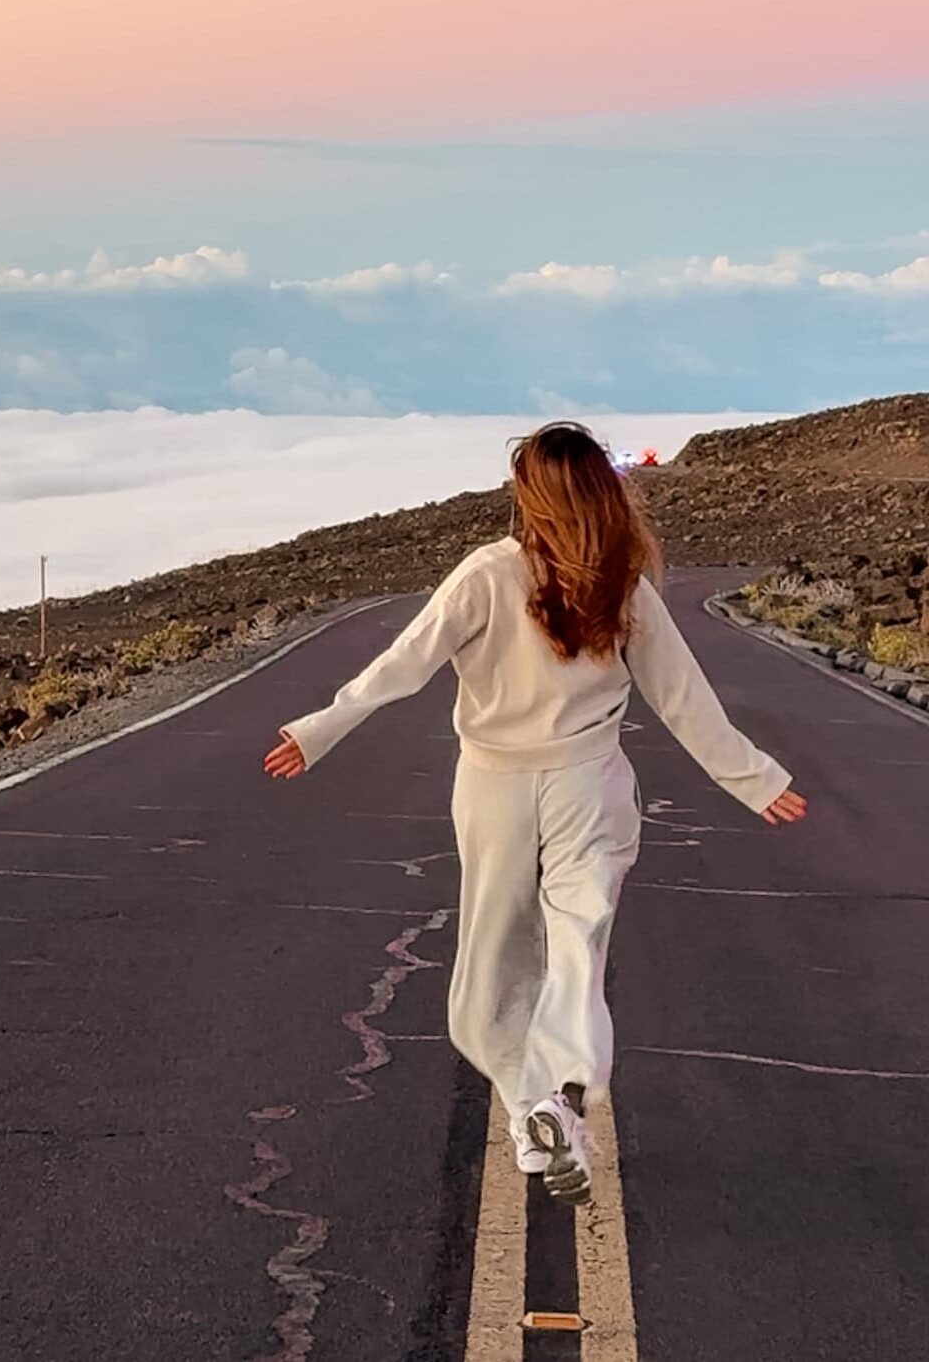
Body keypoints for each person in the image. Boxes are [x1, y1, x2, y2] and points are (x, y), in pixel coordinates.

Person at [264, 421, 807, 1203]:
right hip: (590, 787)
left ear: (530, 495)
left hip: (493, 788)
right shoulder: (624, 587)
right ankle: (555, 1099)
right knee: (576, 949)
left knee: (490, 967)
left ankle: (533, 1111)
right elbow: (684, 699)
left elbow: (403, 663)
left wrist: (318, 730)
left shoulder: (487, 574)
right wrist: (753, 779)